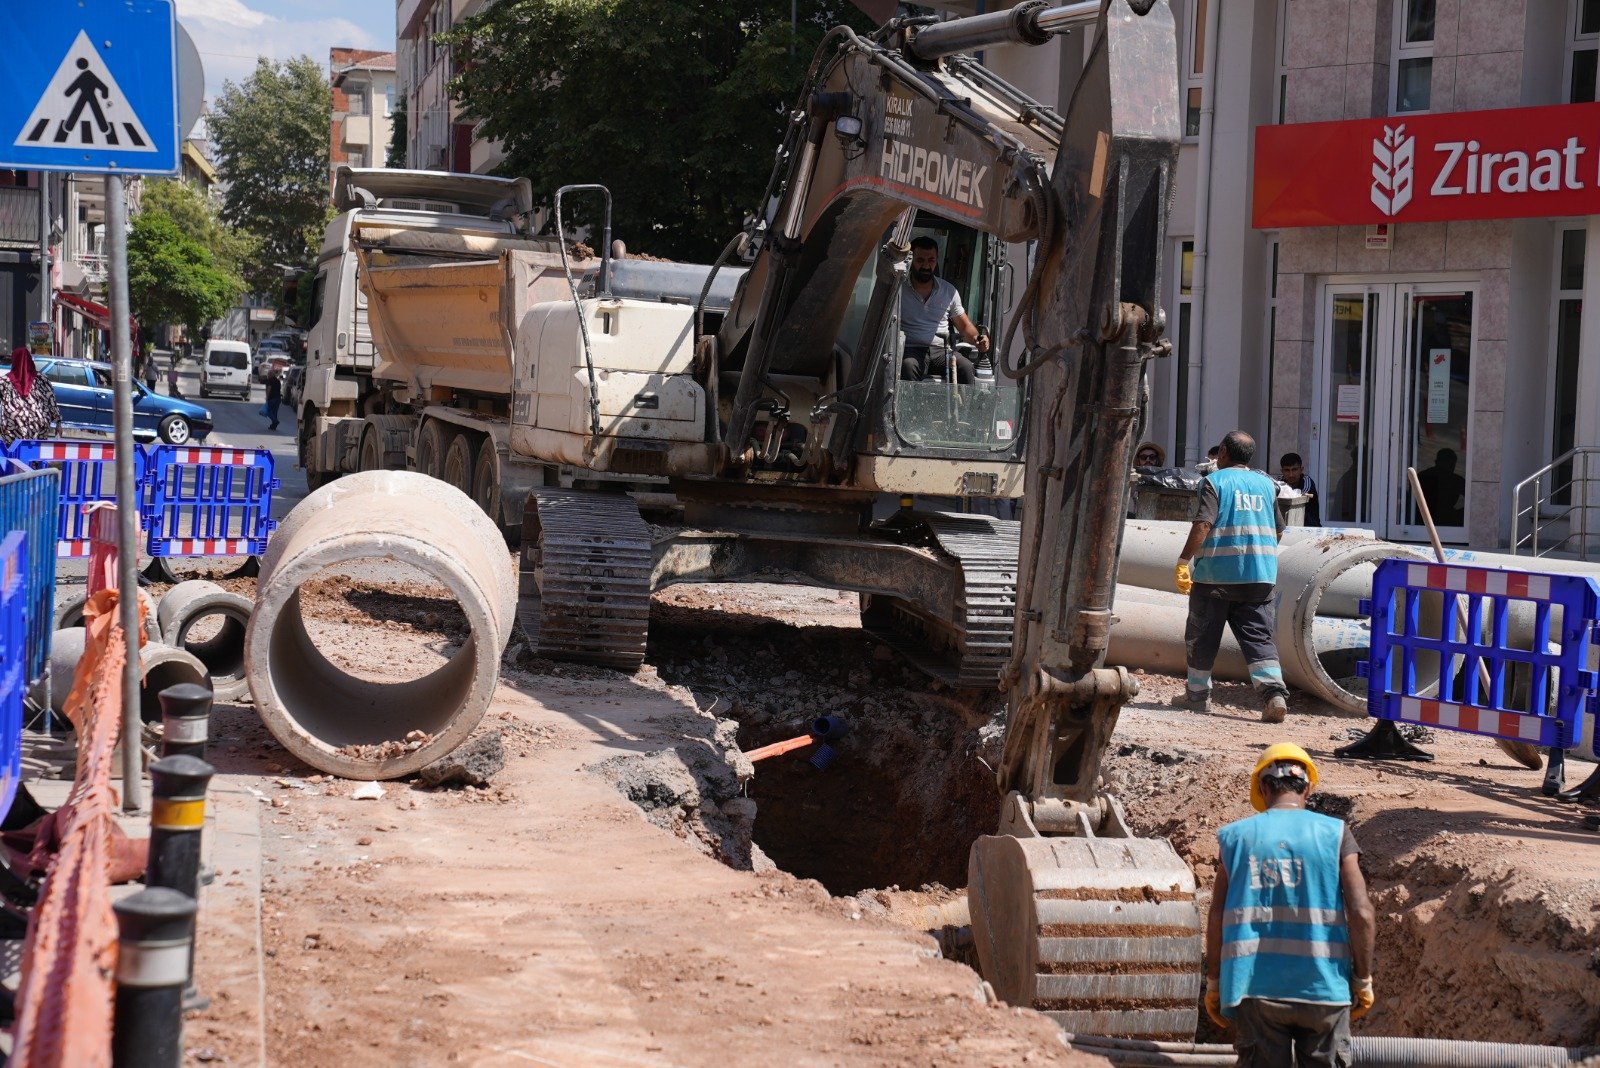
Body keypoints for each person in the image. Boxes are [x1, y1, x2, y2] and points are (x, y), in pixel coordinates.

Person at [1206, 743, 1375, 1067]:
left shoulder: (1236, 838)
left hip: (1255, 989)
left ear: (1262, 787)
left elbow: (1217, 915)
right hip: (1324, 987)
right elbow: (1361, 913)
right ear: (1308, 788)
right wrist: (1362, 979)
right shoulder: (1335, 834)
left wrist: (1214, 982)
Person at [1174, 431, 1290, 722]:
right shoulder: (1267, 484)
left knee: (1202, 635)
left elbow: (1203, 524)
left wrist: (1183, 560)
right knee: (1259, 637)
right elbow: (1279, 529)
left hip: (1216, 576)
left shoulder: (1213, 482)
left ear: (1222, 451)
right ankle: (1273, 695)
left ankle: (1197, 697)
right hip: (1260, 576)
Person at [898, 236, 990, 384]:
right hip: (910, 349)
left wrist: (978, 340)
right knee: (908, 366)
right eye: (920, 260)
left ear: (937, 260)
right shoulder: (898, 289)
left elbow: (964, 326)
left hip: (941, 351)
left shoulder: (949, 291)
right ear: (911, 259)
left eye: (931, 260)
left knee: (966, 367)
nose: (926, 266)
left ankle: (964, 408)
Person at [0, 347, 62, 445]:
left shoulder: (5, 381)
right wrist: (58, 422)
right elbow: (51, 401)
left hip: (14, 426)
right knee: (35, 455)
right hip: (39, 425)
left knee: (14, 456)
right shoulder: (42, 379)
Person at [1415, 448, 1466, 527]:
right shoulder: (1425, 476)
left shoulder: (1456, 480)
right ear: (1437, 462)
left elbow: (1472, 500)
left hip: (1442, 518)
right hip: (1425, 519)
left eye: (1452, 464)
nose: (1450, 466)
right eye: (1448, 463)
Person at [1278, 452, 1321, 527]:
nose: (1291, 474)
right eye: (1287, 470)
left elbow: (1300, 498)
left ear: (1301, 470)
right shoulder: (1279, 483)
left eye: (1294, 469)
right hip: (1286, 528)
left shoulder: (1307, 481)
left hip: (1310, 527)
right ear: (1282, 471)